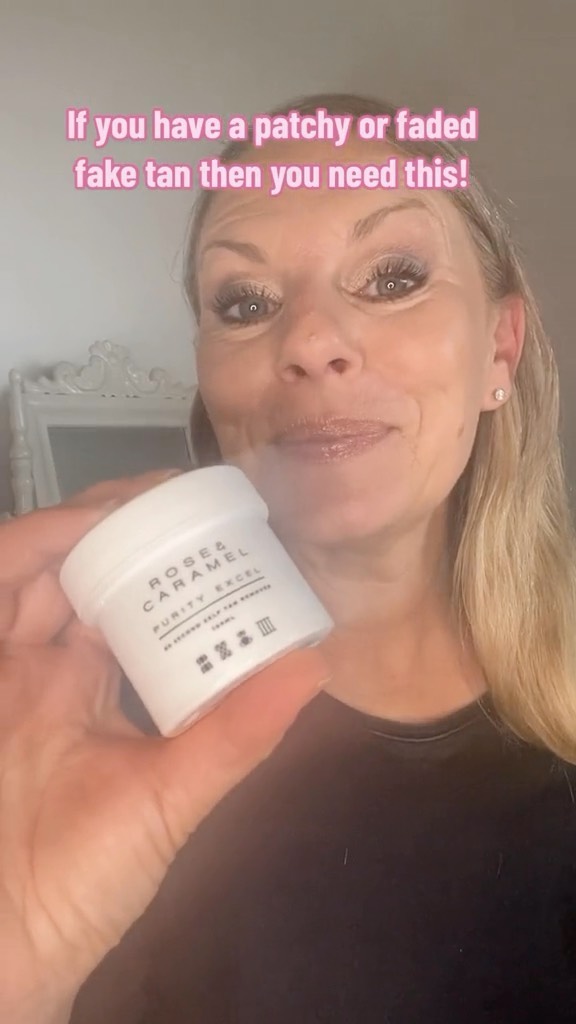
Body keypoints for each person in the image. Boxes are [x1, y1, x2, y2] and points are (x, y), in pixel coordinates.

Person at [3, 90, 576, 1022]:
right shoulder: (73, 740)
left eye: (392, 277)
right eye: (245, 302)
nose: (308, 341)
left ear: (500, 350)